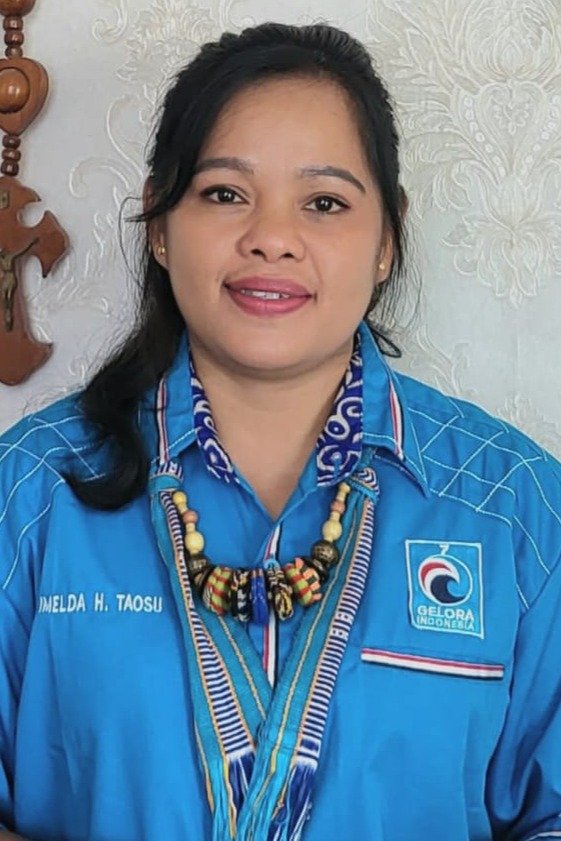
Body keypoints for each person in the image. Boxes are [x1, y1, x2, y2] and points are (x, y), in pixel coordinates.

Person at [0, 21, 560, 841]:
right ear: (160, 224)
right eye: (224, 193)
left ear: (386, 240)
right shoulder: (28, 492)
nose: (270, 237)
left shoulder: (514, 509)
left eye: (324, 202)